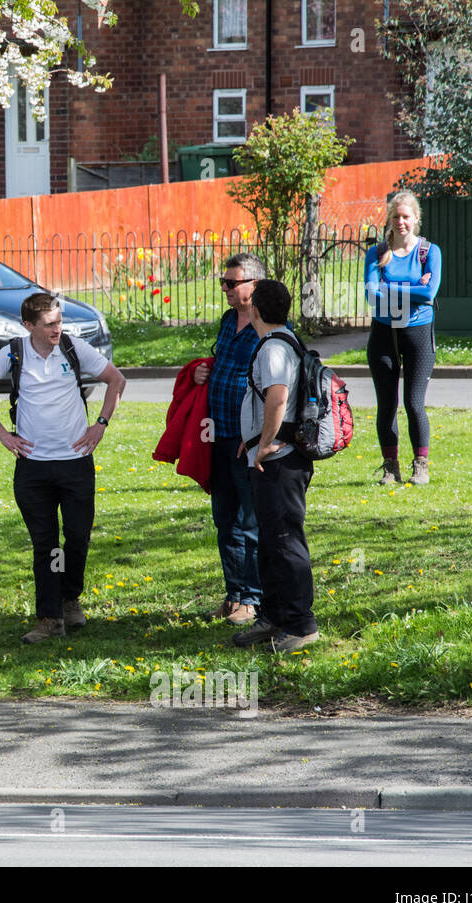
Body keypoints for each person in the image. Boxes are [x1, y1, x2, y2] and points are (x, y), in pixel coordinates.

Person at [0, 292, 126, 644]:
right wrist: (2, 435)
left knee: (78, 537)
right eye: (50, 324)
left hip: (75, 464)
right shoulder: (13, 352)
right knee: (46, 544)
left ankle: (70, 598)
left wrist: (100, 424)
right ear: (29, 326)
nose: (57, 329)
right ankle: (49, 617)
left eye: (59, 321)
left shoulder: (73, 347)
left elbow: (117, 380)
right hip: (33, 468)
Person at [234, 280, 318, 652]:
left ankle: (301, 625)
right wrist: (251, 438)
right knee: (271, 541)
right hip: (273, 457)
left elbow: (277, 398)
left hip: (280, 461)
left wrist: (264, 442)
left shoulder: (273, 348)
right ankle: (273, 616)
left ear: (254, 309)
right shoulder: (286, 339)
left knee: (285, 541)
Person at [193, 253, 266, 627]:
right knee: (225, 519)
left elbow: (274, 386)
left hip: (246, 439)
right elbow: (221, 364)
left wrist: (255, 436)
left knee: (251, 521)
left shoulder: (265, 325)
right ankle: (234, 593)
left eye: (231, 283)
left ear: (253, 284)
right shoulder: (227, 321)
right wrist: (204, 372)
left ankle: (253, 600)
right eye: (223, 282)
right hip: (218, 433)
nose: (224, 288)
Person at [364, 190, 442, 486]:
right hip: (383, 334)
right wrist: (411, 289)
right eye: (396, 216)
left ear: (416, 219)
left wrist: (390, 286)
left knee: (413, 403)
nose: (400, 222)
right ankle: (390, 467)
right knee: (386, 404)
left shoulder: (428, 252)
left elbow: (429, 293)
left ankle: (420, 465)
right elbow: (372, 295)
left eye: (406, 216)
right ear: (390, 218)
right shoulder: (377, 253)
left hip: (418, 333)